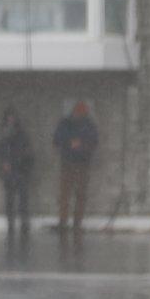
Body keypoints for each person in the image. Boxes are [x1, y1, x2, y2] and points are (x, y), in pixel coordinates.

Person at [52, 100, 99, 233]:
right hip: (67, 163)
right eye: (78, 112)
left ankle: (77, 223)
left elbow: (94, 142)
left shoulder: (89, 125)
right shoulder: (65, 124)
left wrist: (81, 145)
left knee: (80, 194)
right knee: (64, 194)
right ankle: (63, 221)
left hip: (82, 163)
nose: (79, 114)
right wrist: (69, 144)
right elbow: (57, 140)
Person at [0, 107, 33, 239]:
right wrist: (4, 163)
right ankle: (11, 224)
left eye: (12, 117)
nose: (11, 120)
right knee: (10, 198)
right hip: (9, 171)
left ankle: (24, 223)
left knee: (22, 199)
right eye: (9, 117)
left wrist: (21, 161)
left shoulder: (21, 134)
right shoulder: (2, 134)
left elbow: (27, 151)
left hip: (20, 170)